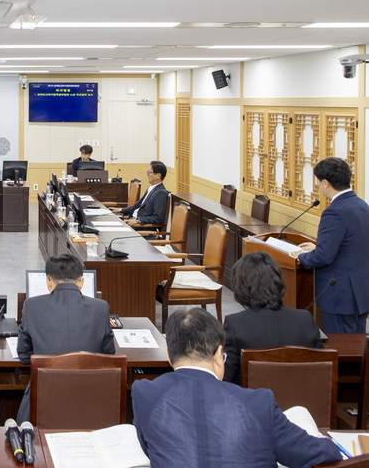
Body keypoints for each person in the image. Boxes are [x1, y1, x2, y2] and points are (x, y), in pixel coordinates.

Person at [132, 308, 341, 467]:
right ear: (218, 355)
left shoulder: (145, 394)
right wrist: (328, 443)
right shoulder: (259, 403)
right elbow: (312, 453)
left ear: (169, 356)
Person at [16, 254, 115, 423]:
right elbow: (108, 356)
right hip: (91, 404)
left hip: (43, 403)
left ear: (48, 281)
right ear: (81, 281)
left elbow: (24, 356)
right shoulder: (101, 308)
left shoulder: (32, 306)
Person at [290, 157, 369, 334]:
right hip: (361, 291)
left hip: (340, 294)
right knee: (357, 345)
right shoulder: (362, 205)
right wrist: (317, 248)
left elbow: (323, 256)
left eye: (318, 182)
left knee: (340, 346)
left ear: (325, 183)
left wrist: (301, 255)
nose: (318, 186)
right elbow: (352, 244)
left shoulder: (334, 212)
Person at [223, 252, 323, 385]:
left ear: (240, 287)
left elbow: (227, 379)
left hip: (254, 398)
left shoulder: (234, 324)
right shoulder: (305, 319)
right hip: (301, 396)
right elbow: (321, 369)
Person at [115, 160, 169, 228]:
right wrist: (120, 210)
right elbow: (136, 207)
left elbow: (158, 218)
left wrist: (138, 220)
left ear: (158, 176)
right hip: (132, 221)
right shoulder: (150, 188)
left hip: (141, 226)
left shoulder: (161, 193)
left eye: (149, 172)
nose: (147, 175)